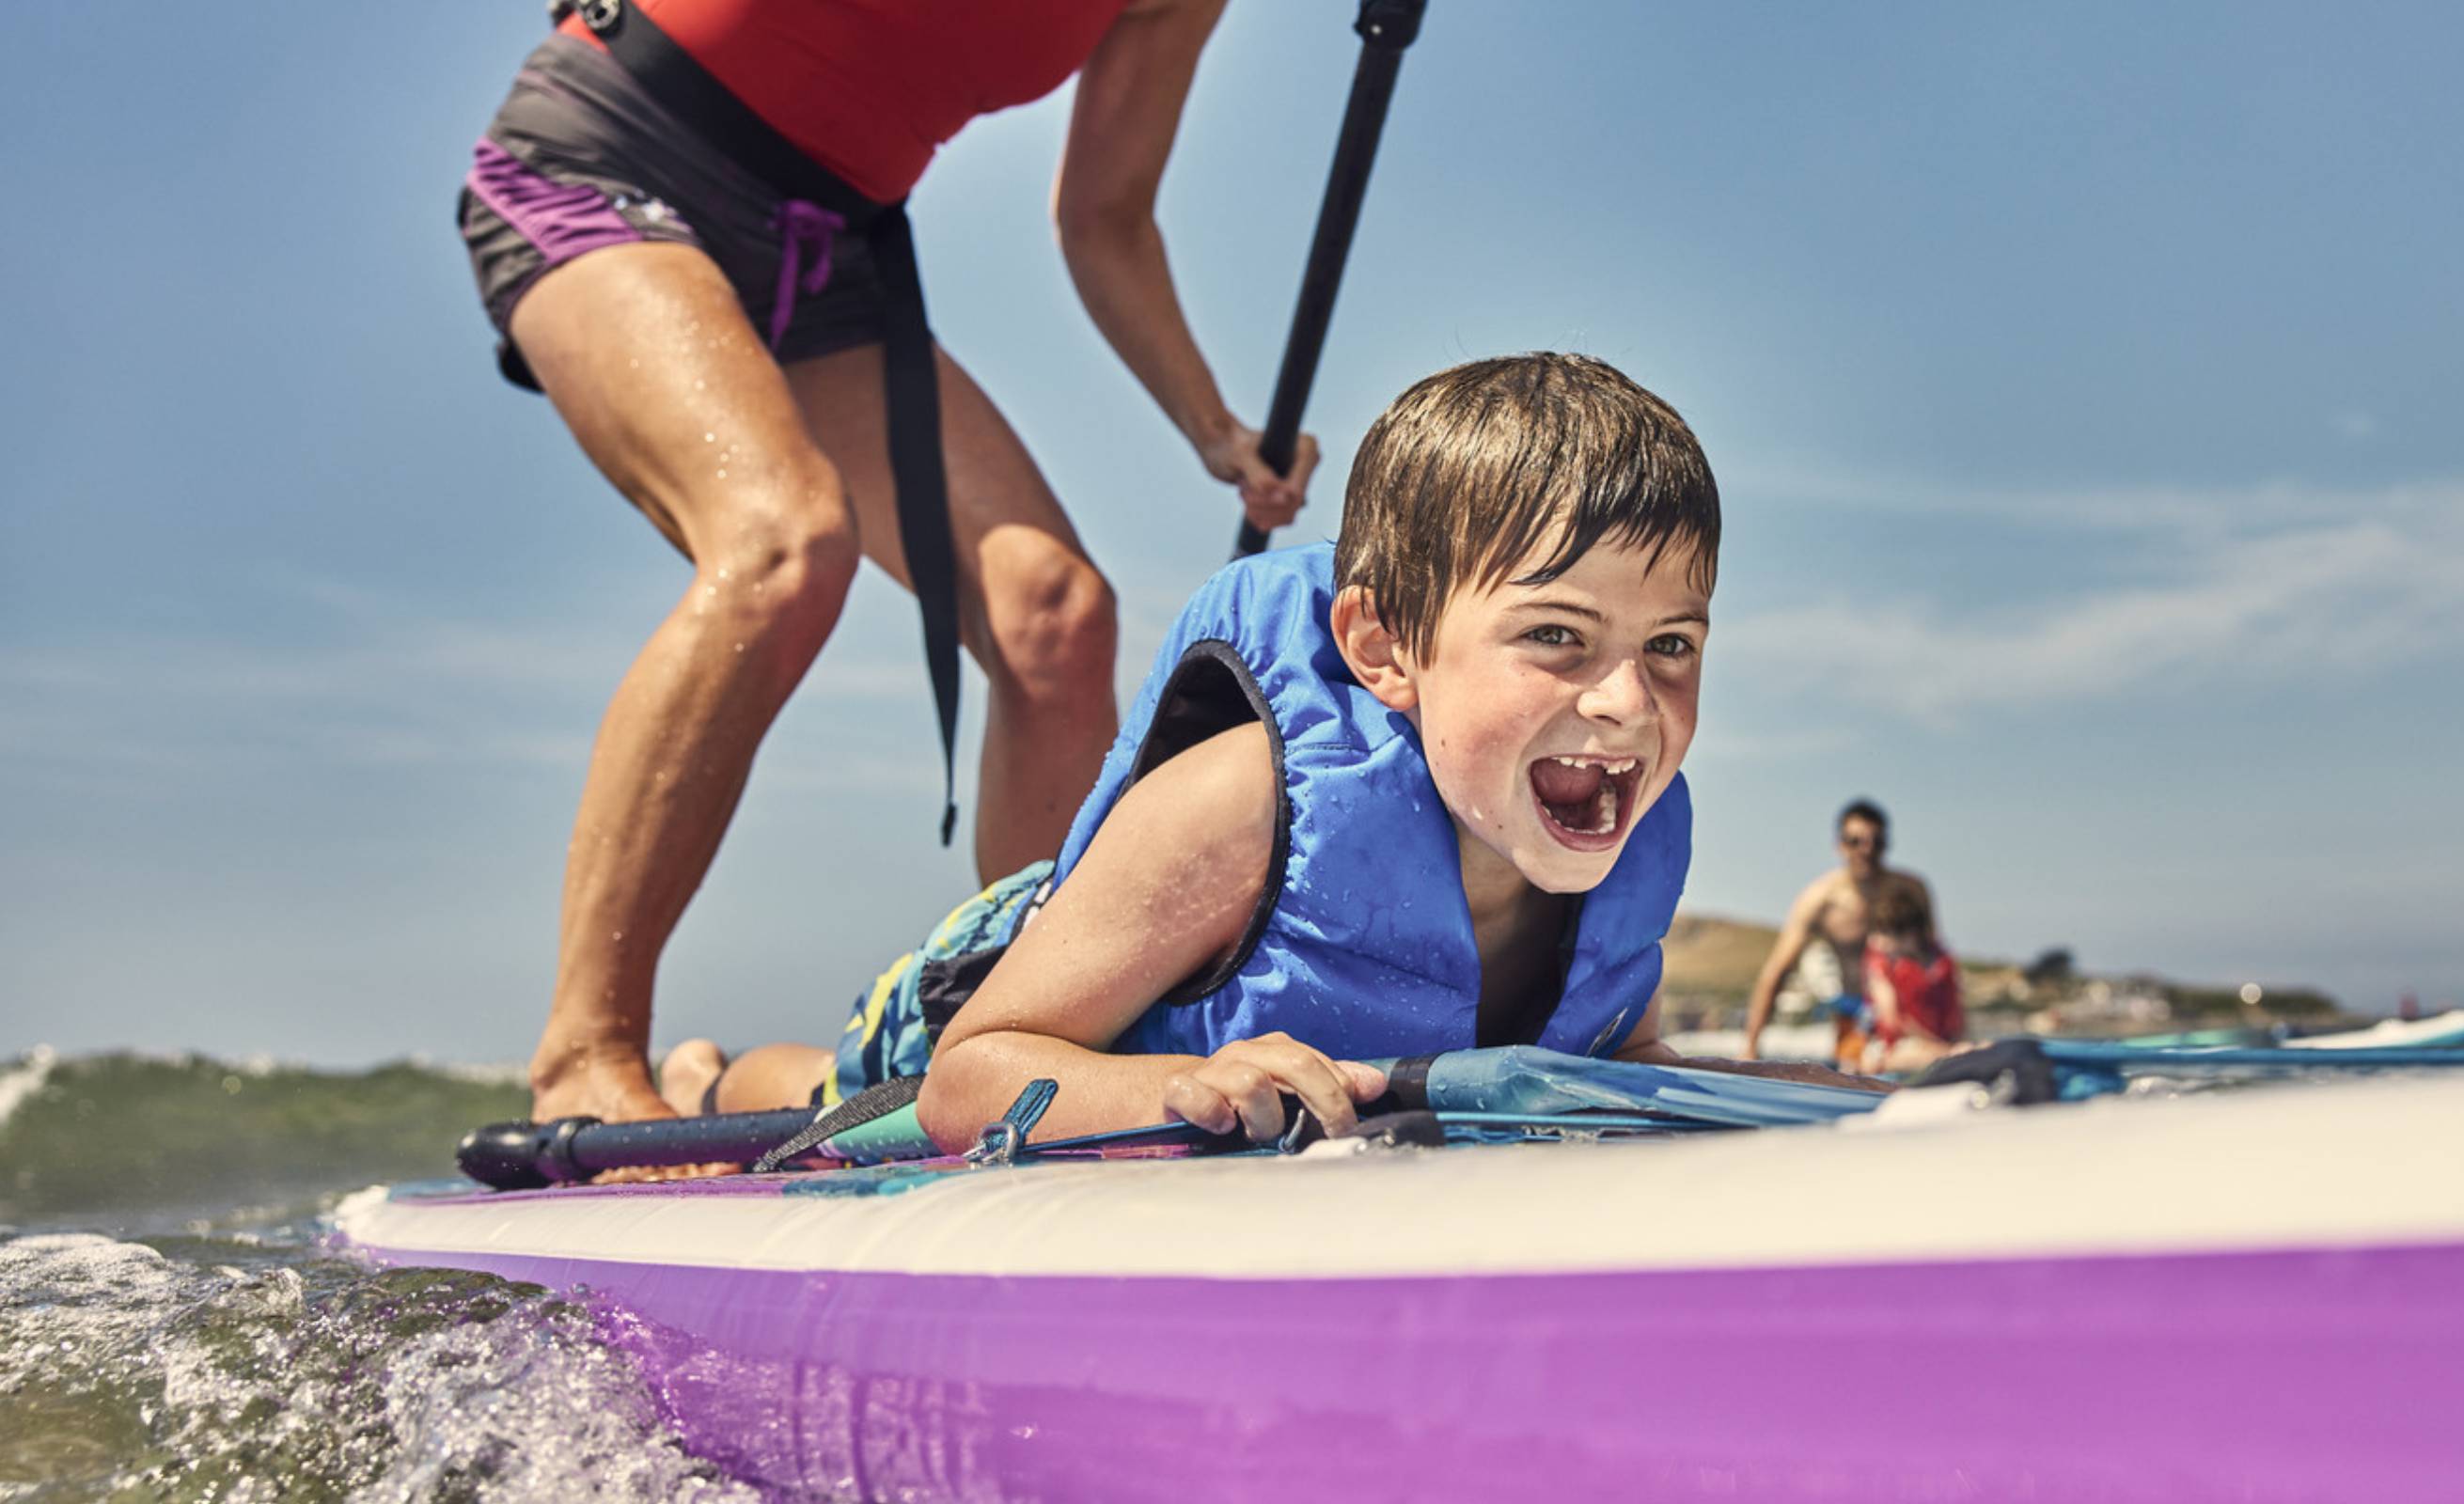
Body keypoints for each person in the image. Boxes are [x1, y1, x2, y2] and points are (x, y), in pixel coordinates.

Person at [459, 0, 1318, 1128]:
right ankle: (586, 1050)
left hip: (826, 249)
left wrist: (1213, 428)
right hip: (608, 155)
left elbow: (1105, 217)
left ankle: (1034, 1041)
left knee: (1053, 615)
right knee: (783, 544)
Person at [671, 353, 1814, 1144]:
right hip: (999, 985)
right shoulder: (1243, 808)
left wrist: (1802, 1103)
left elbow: (1619, 1050)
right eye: (1555, 635)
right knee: (830, 1094)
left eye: (1671, 644)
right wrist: (1180, 1084)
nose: (1626, 703)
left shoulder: (1627, 822)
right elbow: (968, 1080)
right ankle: (707, 1074)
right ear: (1383, 648)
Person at [1741, 799, 1938, 1061]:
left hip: (1914, 1021)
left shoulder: (1911, 891)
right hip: (1856, 1022)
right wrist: (1751, 1046)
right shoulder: (1820, 900)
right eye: (1855, 841)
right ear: (1840, 845)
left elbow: (1937, 962)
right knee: (1857, 1072)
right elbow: (1777, 972)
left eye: (1876, 841)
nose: (1866, 850)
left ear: (1887, 843)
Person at [1860, 885, 1965, 1073]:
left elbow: (1955, 1013)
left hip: (1934, 1045)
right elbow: (1892, 1020)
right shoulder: (1881, 965)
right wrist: (1943, 1048)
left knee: (1966, 1052)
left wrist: (1950, 1045)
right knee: (1949, 1056)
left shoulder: (1942, 963)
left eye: (1884, 933)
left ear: (1911, 935)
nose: (1875, 941)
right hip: (1894, 1046)